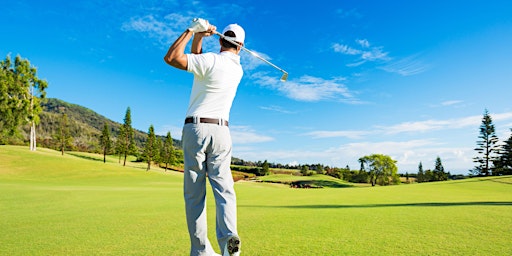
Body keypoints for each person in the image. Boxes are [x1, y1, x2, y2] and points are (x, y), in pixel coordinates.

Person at [163, 18, 244, 256]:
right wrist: (200, 39)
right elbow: (199, 60)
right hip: (222, 132)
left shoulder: (210, 61)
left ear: (220, 40)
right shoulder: (237, 69)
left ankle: (200, 251)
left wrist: (192, 30)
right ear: (239, 47)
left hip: (196, 129)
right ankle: (230, 242)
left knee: (194, 195)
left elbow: (172, 58)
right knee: (224, 190)